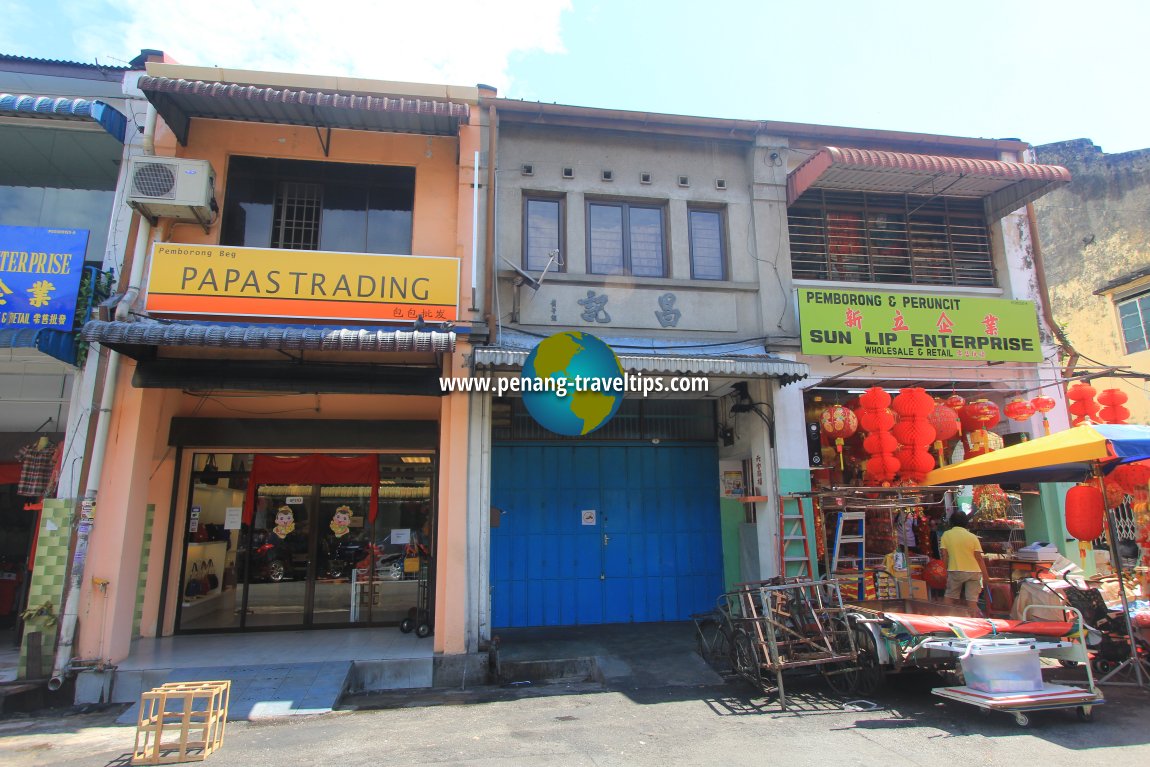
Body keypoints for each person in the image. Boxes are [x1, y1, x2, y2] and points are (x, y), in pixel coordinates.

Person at [939, 512, 990, 614]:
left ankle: (945, 618)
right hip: (974, 572)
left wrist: (944, 571)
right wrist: (986, 576)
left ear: (951, 522)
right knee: (972, 602)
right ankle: (975, 622)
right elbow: (979, 558)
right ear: (966, 523)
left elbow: (944, 556)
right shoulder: (972, 537)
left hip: (955, 570)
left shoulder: (946, 535)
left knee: (949, 597)